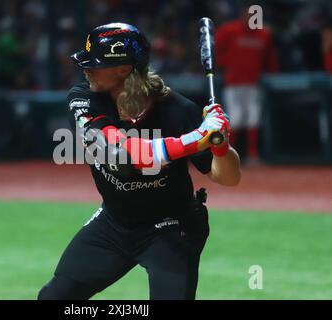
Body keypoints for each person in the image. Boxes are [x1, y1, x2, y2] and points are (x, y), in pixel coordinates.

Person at [38, 23, 241, 300]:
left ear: (123, 69)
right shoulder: (84, 98)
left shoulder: (178, 110)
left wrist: (220, 144)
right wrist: (198, 137)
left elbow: (228, 177)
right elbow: (121, 154)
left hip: (171, 226)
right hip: (115, 222)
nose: (85, 69)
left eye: (94, 64)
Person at [215, 5, 279, 163]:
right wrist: (223, 66)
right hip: (233, 83)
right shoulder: (229, 30)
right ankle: (230, 155)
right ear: (243, 14)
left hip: (253, 83)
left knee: (253, 118)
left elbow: (270, 58)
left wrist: (272, 72)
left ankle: (252, 155)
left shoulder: (264, 34)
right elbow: (214, 50)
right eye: (249, 14)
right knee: (234, 119)